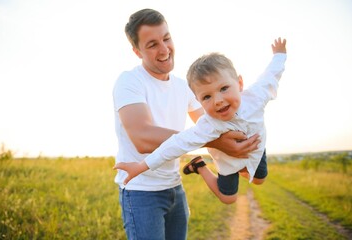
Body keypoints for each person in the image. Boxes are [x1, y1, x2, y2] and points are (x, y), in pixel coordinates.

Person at [113, 8, 260, 240]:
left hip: (174, 188)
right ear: (136, 51)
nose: (164, 49)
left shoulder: (184, 86)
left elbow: (214, 126)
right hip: (141, 192)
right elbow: (142, 137)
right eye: (152, 44)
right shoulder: (129, 82)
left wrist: (241, 150)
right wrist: (218, 143)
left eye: (166, 38)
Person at [114, 37, 287, 205]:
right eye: (206, 97)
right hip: (227, 161)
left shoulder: (255, 97)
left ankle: (245, 166)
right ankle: (200, 166)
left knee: (259, 180)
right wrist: (141, 167)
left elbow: (271, 76)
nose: (218, 100)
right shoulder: (208, 125)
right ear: (197, 99)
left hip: (256, 146)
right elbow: (174, 145)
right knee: (228, 199)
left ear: (239, 83)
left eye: (224, 88)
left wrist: (279, 55)